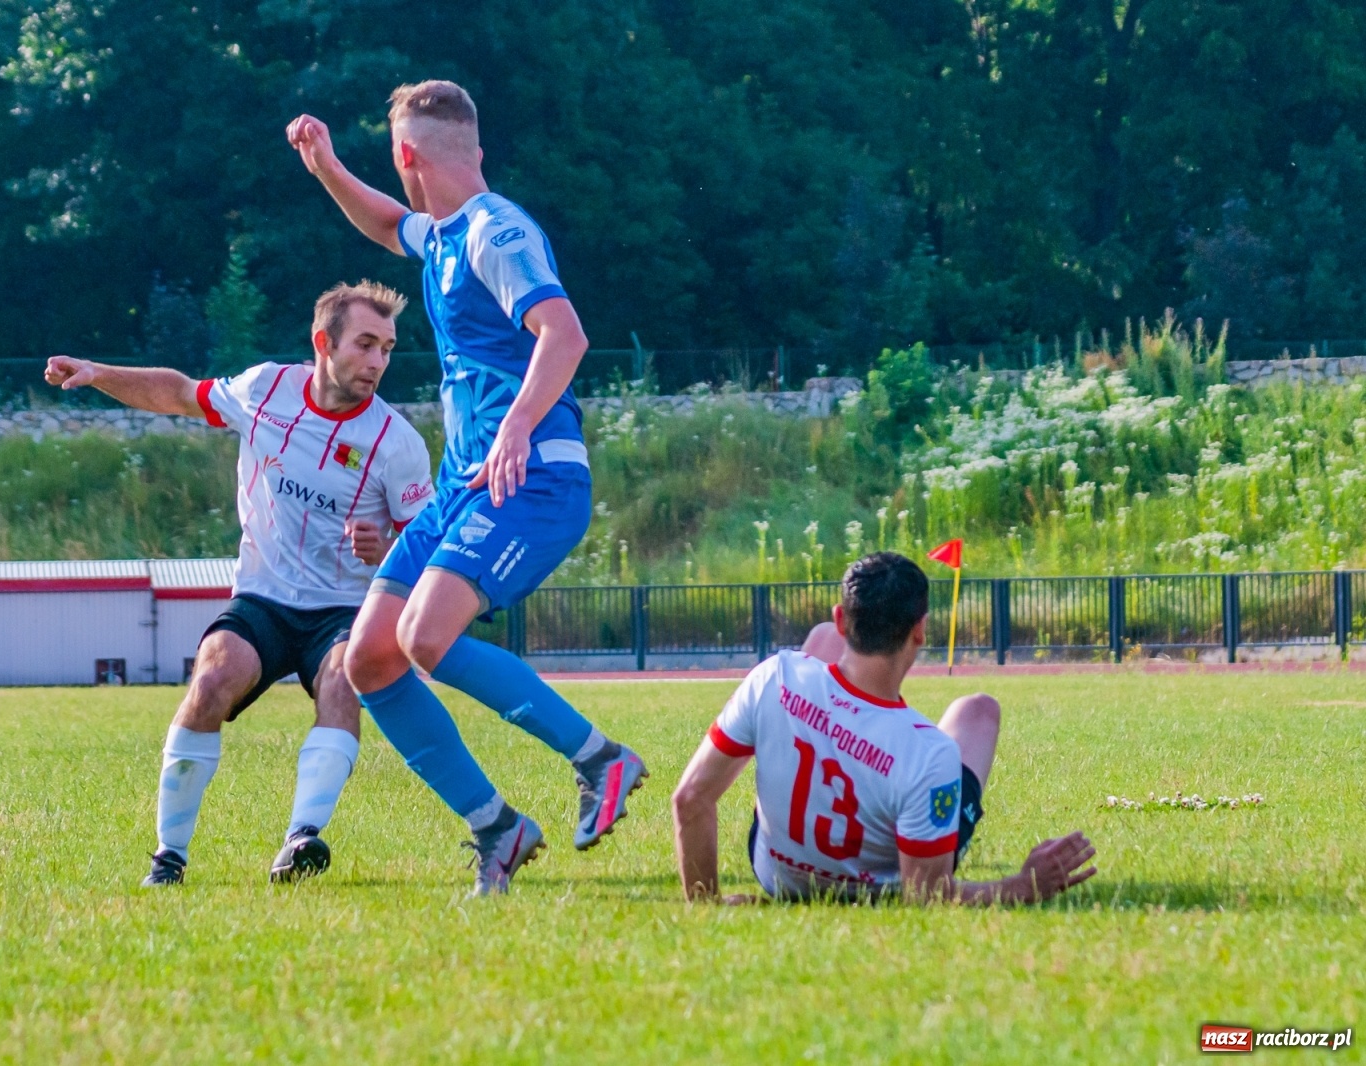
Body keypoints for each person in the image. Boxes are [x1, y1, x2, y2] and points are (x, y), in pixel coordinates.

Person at [286, 80, 646, 895]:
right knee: (370, 657)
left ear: (408, 156)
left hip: (531, 475)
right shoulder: (445, 231)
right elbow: (385, 222)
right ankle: (498, 829)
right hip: (469, 478)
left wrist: (517, 424)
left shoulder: (495, 232)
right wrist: (327, 167)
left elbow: (566, 333)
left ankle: (602, 760)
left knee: (424, 638)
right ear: (470, 150)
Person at [44, 281, 433, 887]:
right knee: (214, 674)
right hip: (264, 598)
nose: (378, 362)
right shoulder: (265, 390)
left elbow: (424, 550)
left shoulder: (397, 443)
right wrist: (97, 373)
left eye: (387, 348)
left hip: (344, 608)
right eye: (364, 344)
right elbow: (177, 392)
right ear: (322, 343)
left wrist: (385, 551)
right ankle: (168, 858)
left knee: (342, 679)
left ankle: (301, 839)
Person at [671, 552, 1098, 904]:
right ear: (920, 631)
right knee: (978, 710)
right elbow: (925, 896)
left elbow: (690, 799)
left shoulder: (772, 676)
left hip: (776, 872)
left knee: (817, 644)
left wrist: (705, 906)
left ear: (843, 619)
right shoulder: (931, 755)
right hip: (875, 889)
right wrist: (1022, 886)